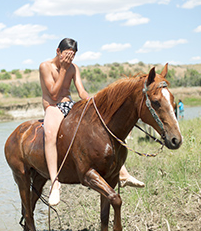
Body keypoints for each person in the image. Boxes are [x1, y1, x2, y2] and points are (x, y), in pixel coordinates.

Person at [39, 38, 144, 206]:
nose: (69, 59)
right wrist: (64, 69)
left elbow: (80, 90)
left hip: (70, 104)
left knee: (96, 129)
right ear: (58, 51)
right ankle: (54, 183)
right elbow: (53, 93)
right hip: (53, 106)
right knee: (50, 134)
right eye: (66, 55)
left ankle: (122, 173)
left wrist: (90, 101)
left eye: (72, 56)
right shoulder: (45, 66)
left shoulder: (73, 67)